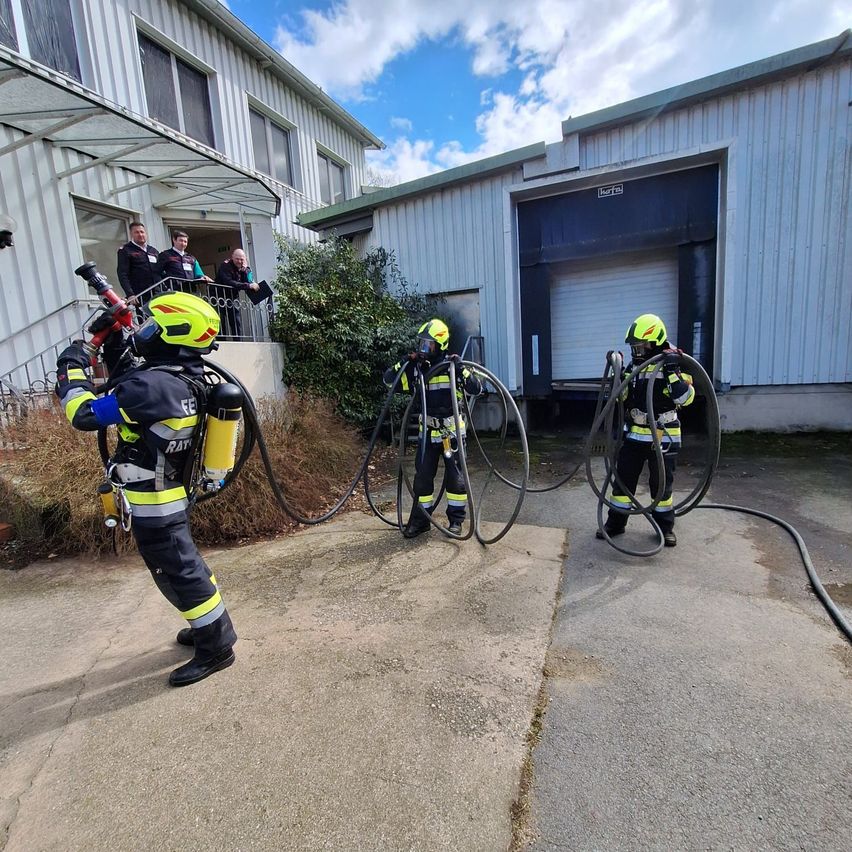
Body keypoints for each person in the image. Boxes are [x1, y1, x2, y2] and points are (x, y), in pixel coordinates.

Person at [54, 291, 237, 686]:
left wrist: (72, 366)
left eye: (153, 325)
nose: (145, 330)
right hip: (167, 492)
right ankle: (208, 626)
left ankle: (217, 646)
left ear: (172, 334)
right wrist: (112, 338)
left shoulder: (152, 388)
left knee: (180, 571)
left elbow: (84, 414)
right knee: (185, 566)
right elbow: (129, 375)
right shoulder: (178, 377)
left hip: (155, 501)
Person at [597, 313, 695, 547]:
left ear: (656, 341)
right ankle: (615, 524)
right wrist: (618, 374)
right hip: (635, 434)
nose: (637, 351)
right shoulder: (635, 366)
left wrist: (671, 371)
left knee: (661, 485)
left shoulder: (675, 362)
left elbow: (686, 398)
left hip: (664, 437)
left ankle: (664, 528)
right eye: (634, 346)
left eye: (642, 346)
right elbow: (621, 397)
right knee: (622, 482)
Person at [384, 319, 481, 538]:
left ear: (441, 345)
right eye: (422, 344)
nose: (424, 350)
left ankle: (456, 521)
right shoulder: (417, 370)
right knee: (422, 480)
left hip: (452, 434)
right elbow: (389, 381)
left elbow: (477, 389)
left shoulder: (453, 367)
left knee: (456, 480)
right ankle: (421, 521)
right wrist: (404, 363)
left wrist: (462, 369)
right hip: (427, 434)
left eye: (429, 345)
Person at [212, 248, 259, 339]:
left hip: (232, 297)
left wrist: (245, 271)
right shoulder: (225, 266)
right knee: (220, 320)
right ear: (232, 257)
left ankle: (238, 341)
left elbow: (248, 280)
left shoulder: (244, 268)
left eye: (242, 259)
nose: (239, 261)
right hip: (218, 296)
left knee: (236, 321)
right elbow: (229, 282)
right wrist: (248, 286)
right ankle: (222, 342)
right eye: (237, 259)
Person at [116, 221, 159, 302]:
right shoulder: (125, 250)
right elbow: (122, 274)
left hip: (157, 293)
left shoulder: (153, 251)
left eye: (142, 232)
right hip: (140, 295)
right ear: (131, 234)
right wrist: (130, 294)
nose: (140, 234)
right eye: (136, 232)